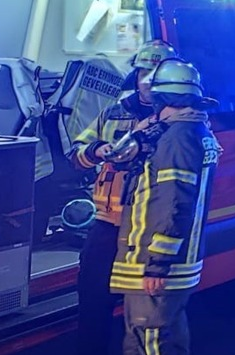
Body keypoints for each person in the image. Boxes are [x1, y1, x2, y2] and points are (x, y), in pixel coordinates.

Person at [67, 40, 176, 355]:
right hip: (107, 222)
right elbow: (75, 153)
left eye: (154, 71)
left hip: (147, 228)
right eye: (143, 69)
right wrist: (96, 150)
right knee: (91, 294)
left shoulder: (176, 120)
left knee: (144, 308)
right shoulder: (113, 112)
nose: (147, 77)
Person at [111, 58, 221, 355]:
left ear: (162, 99)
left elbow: (173, 203)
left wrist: (157, 264)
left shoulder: (177, 139)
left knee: (151, 342)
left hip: (157, 263)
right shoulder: (194, 132)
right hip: (173, 261)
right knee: (161, 339)